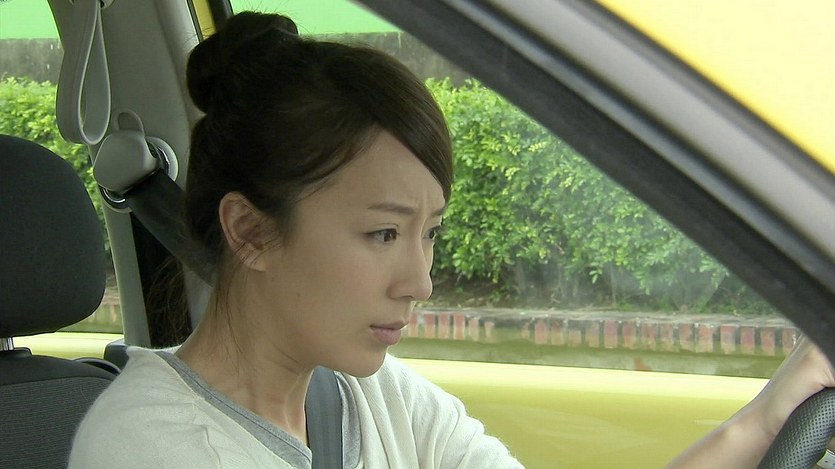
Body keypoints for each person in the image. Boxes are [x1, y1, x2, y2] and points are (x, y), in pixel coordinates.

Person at [69, 11, 834, 469]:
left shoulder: (376, 397)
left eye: (428, 232)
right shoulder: (150, 447)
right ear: (250, 230)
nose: (420, 280)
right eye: (382, 232)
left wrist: (763, 421)